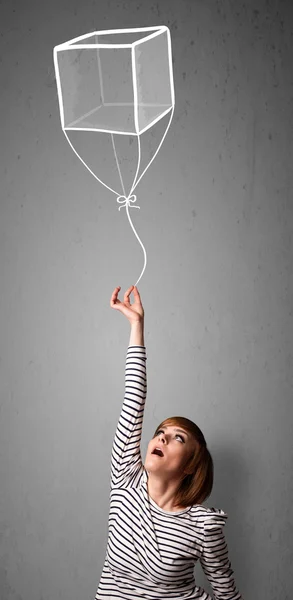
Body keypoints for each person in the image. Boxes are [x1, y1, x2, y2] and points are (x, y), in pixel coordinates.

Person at [95, 285, 243, 600]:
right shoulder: (126, 479)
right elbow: (133, 401)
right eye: (161, 431)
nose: (162, 436)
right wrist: (137, 326)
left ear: (191, 464)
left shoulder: (203, 525)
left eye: (178, 437)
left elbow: (227, 593)